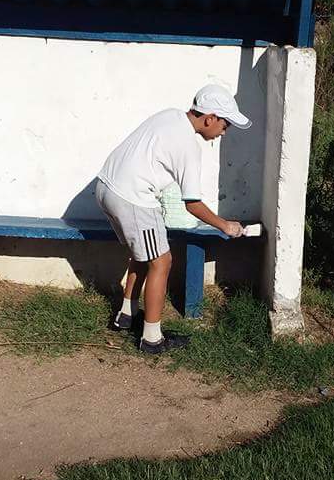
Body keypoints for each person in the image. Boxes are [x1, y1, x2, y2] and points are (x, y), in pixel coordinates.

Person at [96, 84, 251, 353]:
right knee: (162, 260)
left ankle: (125, 316)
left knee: (144, 253)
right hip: (132, 197)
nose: (224, 132)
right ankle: (152, 339)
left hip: (106, 187)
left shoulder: (170, 115)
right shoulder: (188, 146)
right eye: (225, 125)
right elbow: (192, 204)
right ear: (210, 118)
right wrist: (225, 225)